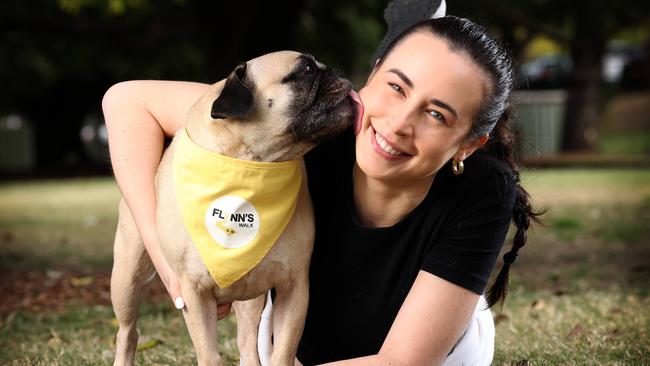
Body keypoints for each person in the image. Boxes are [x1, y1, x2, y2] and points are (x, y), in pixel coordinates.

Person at [102, 9, 541, 366]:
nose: (398, 123)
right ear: (371, 74)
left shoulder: (482, 190)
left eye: (437, 115)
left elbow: (401, 362)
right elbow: (126, 100)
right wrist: (167, 257)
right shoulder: (303, 132)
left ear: (469, 145)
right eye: (395, 86)